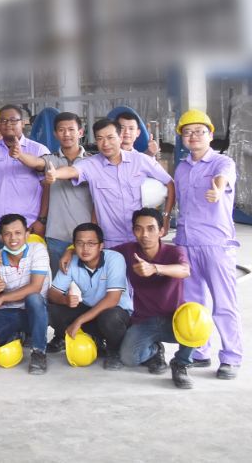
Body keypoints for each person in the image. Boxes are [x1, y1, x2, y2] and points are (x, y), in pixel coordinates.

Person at [172, 109, 241, 379]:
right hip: (186, 243)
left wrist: (218, 189)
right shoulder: (181, 168)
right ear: (182, 138)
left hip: (215, 244)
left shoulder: (222, 162)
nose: (193, 136)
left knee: (224, 303)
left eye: (199, 131)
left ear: (210, 135)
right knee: (192, 303)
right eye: (187, 132)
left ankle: (231, 358)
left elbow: (223, 178)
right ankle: (199, 351)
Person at [45, 118, 174, 248]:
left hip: (140, 239)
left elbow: (169, 183)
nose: (105, 143)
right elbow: (72, 170)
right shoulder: (91, 164)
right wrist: (55, 174)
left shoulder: (140, 160)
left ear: (120, 137)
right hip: (110, 242)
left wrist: (166, 217)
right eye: (100, 139)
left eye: (110, 137)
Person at [113, 208, 197, 388]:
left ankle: (181, 363)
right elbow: (99, 252)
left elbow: (184, 270)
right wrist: (71, 251)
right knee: (128, 358)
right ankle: (155, 350)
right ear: (133, 231)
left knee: (198, 321)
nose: (145, 234)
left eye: (151, 228)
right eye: (139, 229)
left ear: (161, 231)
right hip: (144, 320)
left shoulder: (174, 252)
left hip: (174, 319)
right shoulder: (129, 251)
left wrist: (155, 268)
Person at [46, 222, 131, 370]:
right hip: (90, 310)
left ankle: (114, 350)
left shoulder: (115, 259)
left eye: (91, 243)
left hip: (116, 313)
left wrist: (79, 321)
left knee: (110, 317)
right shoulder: (71, 261)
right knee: (51, 310)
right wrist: (65, 300)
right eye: (80, 243)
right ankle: (90, 340)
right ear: (74, 246)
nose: (85, 249)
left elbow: (112, 299)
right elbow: (52, 293)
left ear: (101, 246)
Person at [0, 104, 50, 250]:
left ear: (22, 123)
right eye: (3, 121)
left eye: (13, 120)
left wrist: (42, 220)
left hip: (28, 225)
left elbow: (47, 187)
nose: (8, 124)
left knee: (28, 264)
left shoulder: (38, 150)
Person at [0, 214, 51, 375]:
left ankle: (38, 352)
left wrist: (4, 297)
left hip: (39, 312)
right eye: (7, 234)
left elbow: (35, 287)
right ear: (1, 237)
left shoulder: (38, 250)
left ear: (27, 234)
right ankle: (18, 334)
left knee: (34, 298)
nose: (13, 238)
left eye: (18, 233)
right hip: (12, 313)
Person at [39, 112, 94, 272]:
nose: (67, 134)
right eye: (61, 130)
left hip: (85, 235)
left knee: (85, 280)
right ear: (55, 134)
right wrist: (42, 219)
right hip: (56, 234)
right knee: (58, 280)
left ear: (80, 132)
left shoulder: (92, 162)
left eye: (71, 129)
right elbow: (46, 191)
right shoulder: (51, 160)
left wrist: (93, 229)